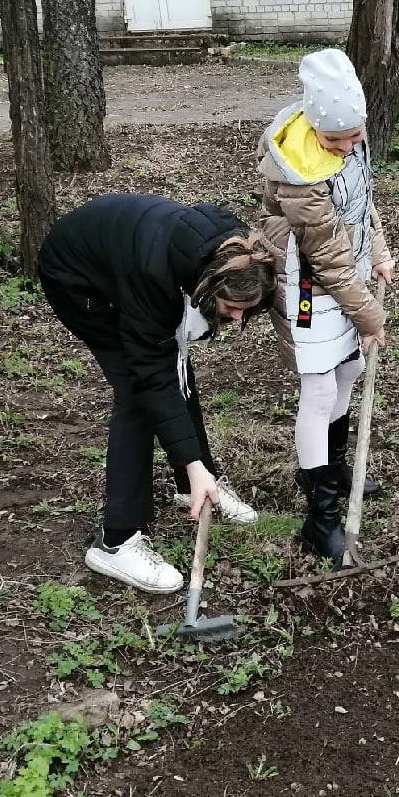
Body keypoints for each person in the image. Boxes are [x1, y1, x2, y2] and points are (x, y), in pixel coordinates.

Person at [40, 194, 273, 593]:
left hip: (119, 254)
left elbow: (170, 365)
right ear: (207, 284)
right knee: (137, 394)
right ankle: (116, 541)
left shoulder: (237, 249)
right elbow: (152, 375)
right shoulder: (154, 278)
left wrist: (195, 467)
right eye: (231, 308)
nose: (237, 319)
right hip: (78, 279)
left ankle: (196, 485)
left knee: (175, 368)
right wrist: (192, 460)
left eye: (245, 310)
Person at [260, 49, 394, 566]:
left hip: (350, 272)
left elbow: (364, 202)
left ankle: (333, 467)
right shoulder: (298, 174)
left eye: (354, 136)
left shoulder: (352, 138)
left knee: (346, 373)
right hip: (310, 286)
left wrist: (378, 249)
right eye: (335, 140)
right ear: (314, 126)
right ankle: (320, 517)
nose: (347, 147)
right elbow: (328, 257)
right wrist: (369, 315)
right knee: (318, 387)